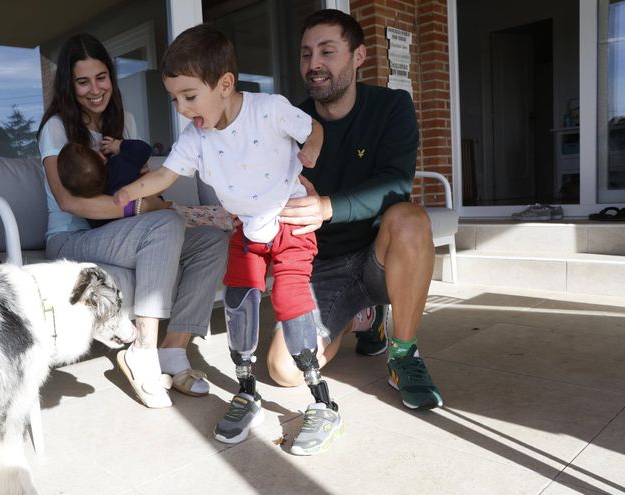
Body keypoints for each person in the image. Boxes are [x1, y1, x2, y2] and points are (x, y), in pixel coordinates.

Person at [113, 24, 338, 455]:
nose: (181, 108)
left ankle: (321, 400)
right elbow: (165, 174)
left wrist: (311, 150)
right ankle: (247, 389)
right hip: (246, 228)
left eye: (189, 96)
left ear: (225, 84)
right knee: (239, 302)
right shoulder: (196, 137)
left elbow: (314, 128)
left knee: (290, 300)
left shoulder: (270, 109)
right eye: (174, 99)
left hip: (288, 220)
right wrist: (131, 191)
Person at [265, 8, 444, 451]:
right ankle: (361, 318)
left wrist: (326, 206)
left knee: (410, 217)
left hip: (377, 255)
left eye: (327, 51)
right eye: (306, 54)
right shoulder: (290, 121)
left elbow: (396, 185)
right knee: (284, 371)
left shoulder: (391, 107)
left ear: (359, 55)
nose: (314, 64)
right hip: (322, 266)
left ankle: (403, 354)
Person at [36, 33, 228, 408]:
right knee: (167, 224)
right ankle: (142, 349)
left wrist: (146, 197)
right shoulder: (56, 129)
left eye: (102, 77)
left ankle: (174, 350)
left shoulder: (126, 124)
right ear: (68, 86)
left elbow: (139, 179)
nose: (95, 89)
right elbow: (67, 200)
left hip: (117, 233)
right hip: (71, 240)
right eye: (83, 81)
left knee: (211, 240)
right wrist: (138, 209)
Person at [57, 138, 152, 228]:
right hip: (150, 209)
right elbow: (144, 149)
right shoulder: (119, 164)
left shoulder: (92, 216)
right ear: (101, 158)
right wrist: (119, 145)